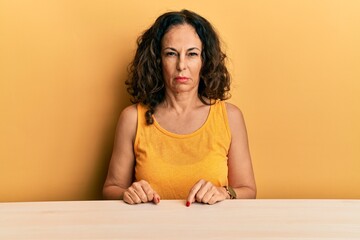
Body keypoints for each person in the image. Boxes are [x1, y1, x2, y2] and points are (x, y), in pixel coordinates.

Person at [103, 9, 256, 206]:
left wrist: (224, 192)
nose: (181, 65)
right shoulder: (132, 118)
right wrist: (128, 193)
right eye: (171, 54)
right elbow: (110, 189)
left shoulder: (230, 116)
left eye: (192, 54)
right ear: (157, 60)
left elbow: (249, 191)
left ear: (205, 60)